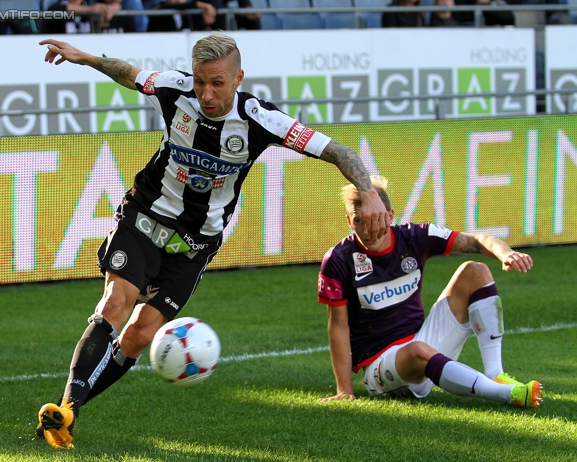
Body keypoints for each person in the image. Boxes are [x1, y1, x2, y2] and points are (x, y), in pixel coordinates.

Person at [36, 33, 391, 449]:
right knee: (116, 303)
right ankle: (66, 408)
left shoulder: (261, 119)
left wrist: (367, 192)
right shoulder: (174, 88)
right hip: (146, 216)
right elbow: (129, 74)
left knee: (138, 336)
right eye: (201, 81)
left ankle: (67, 412)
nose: (207, 93)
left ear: (239, 78)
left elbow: (337, 151)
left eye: (218, 83)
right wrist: (87, 58)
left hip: (196, 243)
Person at [317, 176, 543, 408]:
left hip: (423, 341)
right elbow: (338, 326)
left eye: (376, 219)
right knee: (417, 350)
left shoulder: (413, 237)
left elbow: (476, 241)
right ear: (349, 221)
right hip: (381, 366)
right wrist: (344, 389)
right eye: (359, 221)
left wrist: (505, 253)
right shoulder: (338, 259)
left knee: (475, 271)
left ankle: (496, 373)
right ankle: (507, 394)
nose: (369, 229)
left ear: (390, 215)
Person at [42, 0, 121, 34]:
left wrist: (114, 7)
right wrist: (90, 9)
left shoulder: (91, 3)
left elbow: (115, 4)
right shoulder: (55, 7)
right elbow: (62, 8)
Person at [146, 0, 217, 32]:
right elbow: (173, 7)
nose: (178, 0)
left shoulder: (190, 11)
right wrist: (197, 4)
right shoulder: (158, 11)